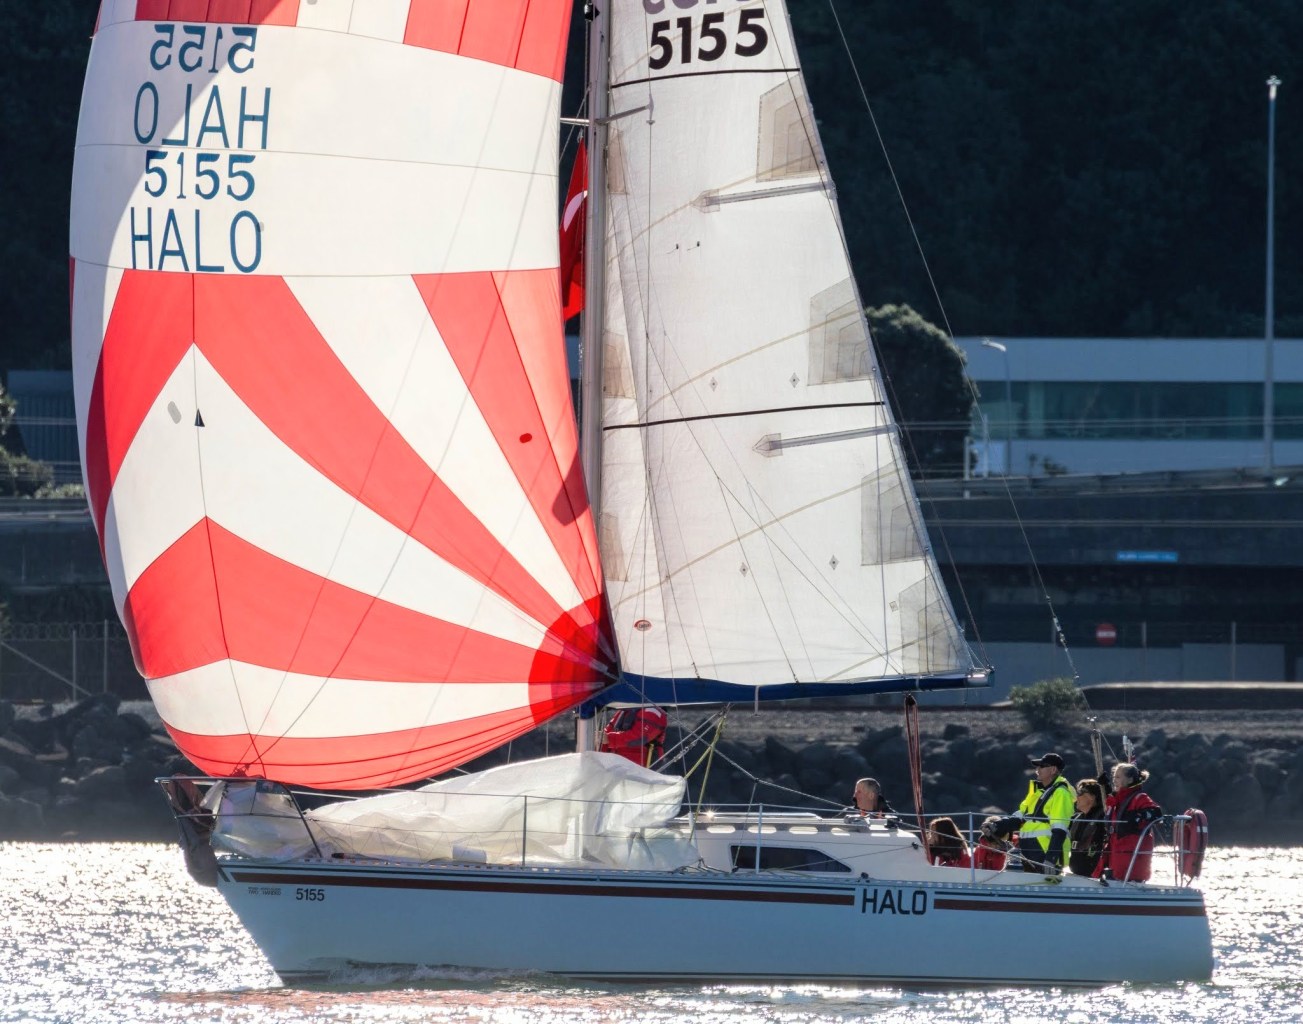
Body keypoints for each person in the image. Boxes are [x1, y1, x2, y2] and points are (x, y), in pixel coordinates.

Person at [984, 752, 1075, 874]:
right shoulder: (1038, 792)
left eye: (1042, 766)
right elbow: (1020, 816)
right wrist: (997, 826)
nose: (1037, 769)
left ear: (1053, 770)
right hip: (1029, 851)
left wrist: (1051, 858)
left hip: (1045, 855)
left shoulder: (1061, 793)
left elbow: (1060, 829)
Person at [1095, 762, 1162, 882]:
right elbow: (1116, 803)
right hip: (1116, 853)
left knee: (1122, 878)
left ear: (1130, 780)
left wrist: (1138, 816)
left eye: (1118, 777)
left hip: (1131, 857)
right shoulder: (1117, 799)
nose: (1114, 780)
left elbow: (1156, 813)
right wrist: (1105, 786)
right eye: (1114, 777)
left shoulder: (1140, 797)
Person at [1069, 778, 1107, 877]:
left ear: (1092, 797)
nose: (1076, 797)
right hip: (1077, 874)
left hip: (1095, 876)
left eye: (1080, 793)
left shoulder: (1103, 818)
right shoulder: (1076, 819)